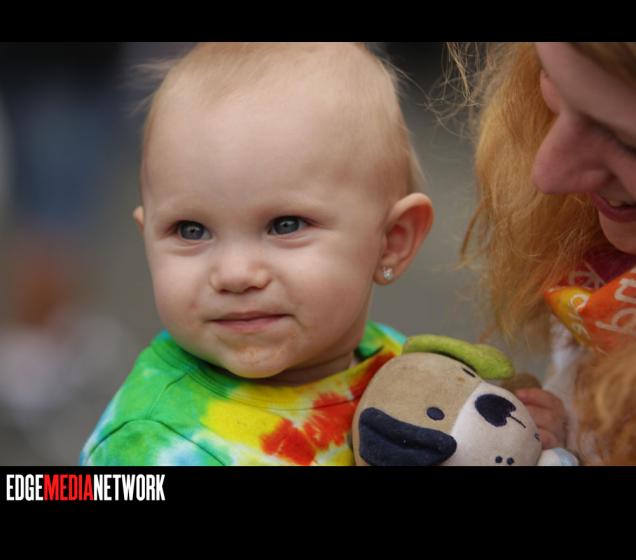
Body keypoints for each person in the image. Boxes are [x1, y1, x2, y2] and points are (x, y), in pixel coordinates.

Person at [80, 42, 433, 466]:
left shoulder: (411, 372)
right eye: (191, 230)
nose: (235, 273)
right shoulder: (152, 445)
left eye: (286, 225)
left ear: (392, 240)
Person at [455, 42, 636, 464]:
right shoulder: (602, 284)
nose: (547, 174)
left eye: (627, 142)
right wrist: (564, 433)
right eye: (553, 76)